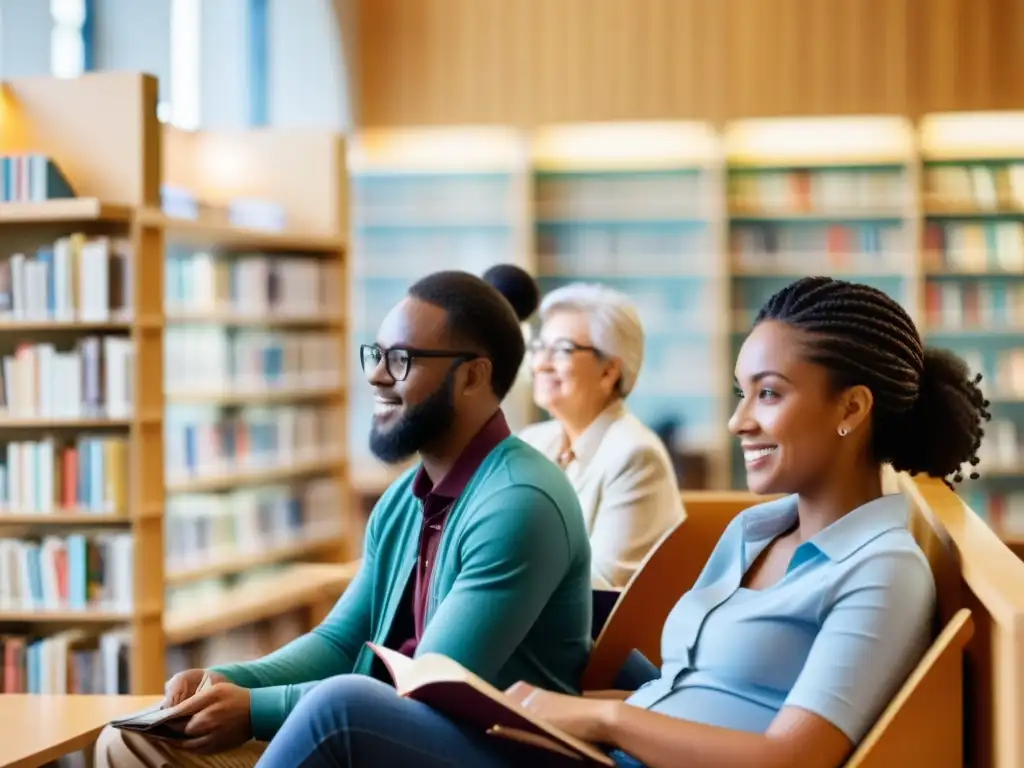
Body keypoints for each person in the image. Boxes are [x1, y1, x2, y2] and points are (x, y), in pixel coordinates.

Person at [251, 276, 988, 768]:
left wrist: (601, 721)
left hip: (615, 755)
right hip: (601, 748)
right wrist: (555, 708)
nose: (736, 422)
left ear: (852, 410)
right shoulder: (752, 532)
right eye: (741, 393)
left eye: (767, 395)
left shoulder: (885, 567)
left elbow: (791, 757)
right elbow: (688, 689)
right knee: (370, 707)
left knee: (342, 709)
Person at [95, 270, 594, 767]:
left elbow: (431, 685)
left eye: (401, 360)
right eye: (375, 355)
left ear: (471, 377)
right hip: (382, 737)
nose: (377, 375)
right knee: (133, 740)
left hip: (485, 749)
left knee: (340, 708)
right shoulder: (404, 500)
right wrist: (227, 682)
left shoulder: (519, 501)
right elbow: (338, 642)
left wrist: (253, 711)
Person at [518, 283, 685, 588]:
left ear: (609, 371)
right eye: (540, 347)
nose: (541, 364)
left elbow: (600, 586)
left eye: (562, 350)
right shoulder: (530, 443)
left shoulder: (635, 456)